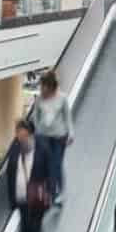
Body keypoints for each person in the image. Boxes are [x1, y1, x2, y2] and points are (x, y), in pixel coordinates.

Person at [3, 119, 53, 232]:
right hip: (22, 199)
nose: (21, 138)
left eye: (24, 135)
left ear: (31, 134)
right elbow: (10, 174)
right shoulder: (15, 148)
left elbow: (50, 173)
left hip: (37, 198)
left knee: (35, 228)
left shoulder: (42, 149)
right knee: (25, 228)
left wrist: (50, 193)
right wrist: (11, 199)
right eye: (19, 135)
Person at [31, 71, 74, 205]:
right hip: (43, 137)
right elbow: (35, 117)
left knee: (56, 164)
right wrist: (37, 131)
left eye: (44, 86)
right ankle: (50, 191)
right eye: (41, 86)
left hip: (59, 137)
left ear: (51, 86)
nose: (42, 88)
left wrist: (71, 133)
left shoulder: (62, 98)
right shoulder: (39, 99)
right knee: (46, 166)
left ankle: (60, 192)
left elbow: (67, 117)